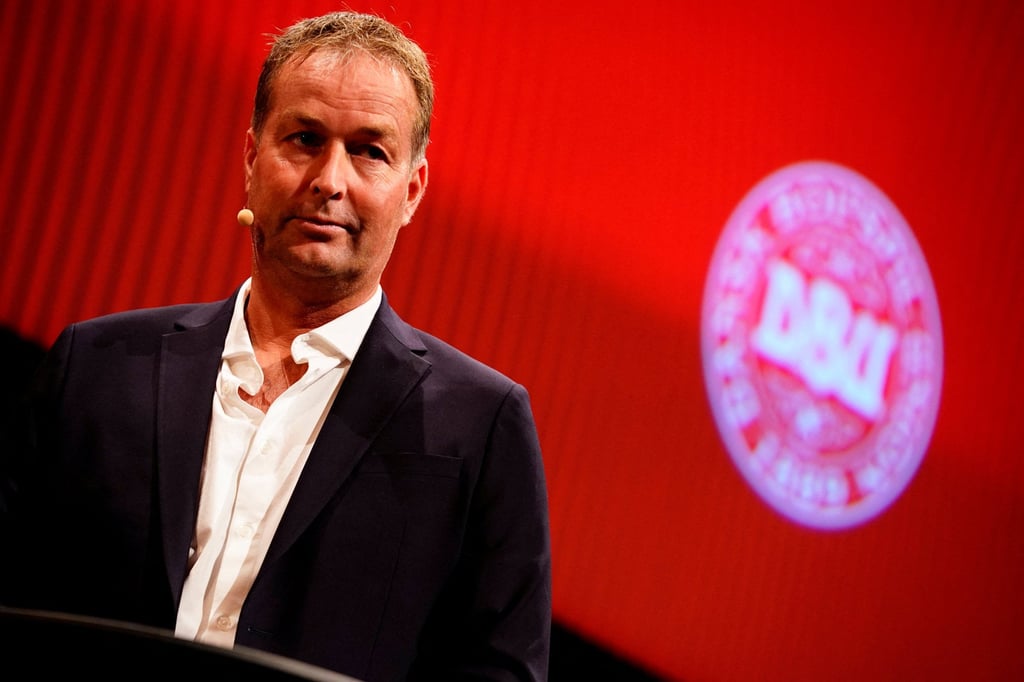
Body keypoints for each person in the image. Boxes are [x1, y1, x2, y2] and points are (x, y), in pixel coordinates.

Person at [0, 11, 551, 681]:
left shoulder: (480, 425)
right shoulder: (94, 367)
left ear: (411, 192)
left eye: (369, 151)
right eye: (304, 139)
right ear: (251, 158)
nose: (330, 180)